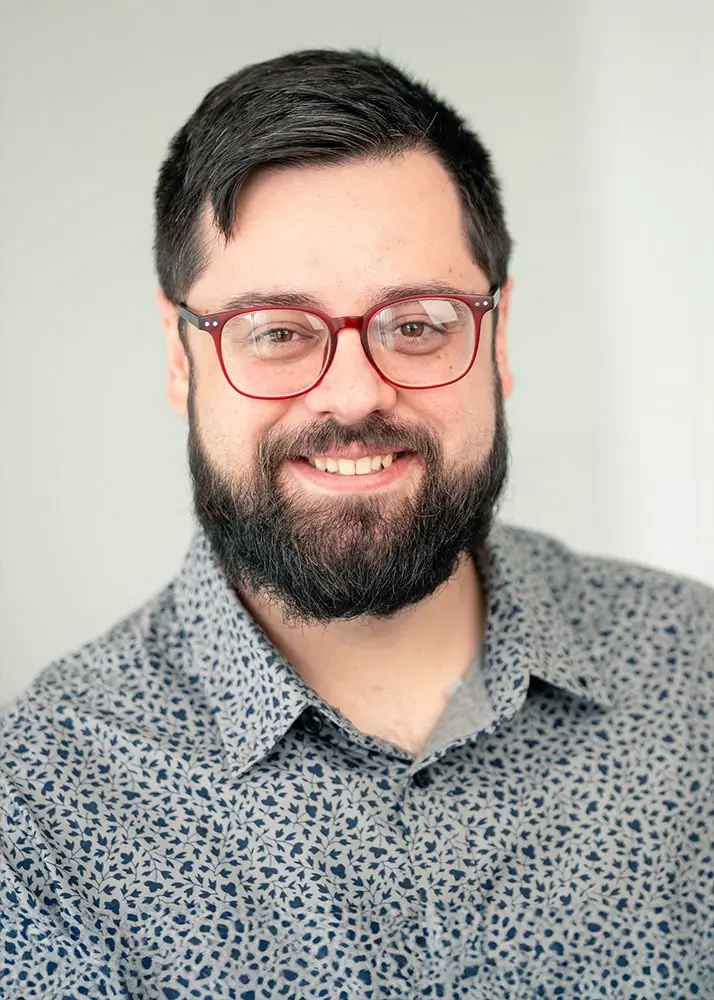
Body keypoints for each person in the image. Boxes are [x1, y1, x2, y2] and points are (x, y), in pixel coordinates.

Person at [0, 48, 712, 1000]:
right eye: (278, 331)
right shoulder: (37, 810)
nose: (352, 394)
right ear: (181, 361)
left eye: (417, 323)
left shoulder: (697, 673)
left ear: (496, 341)